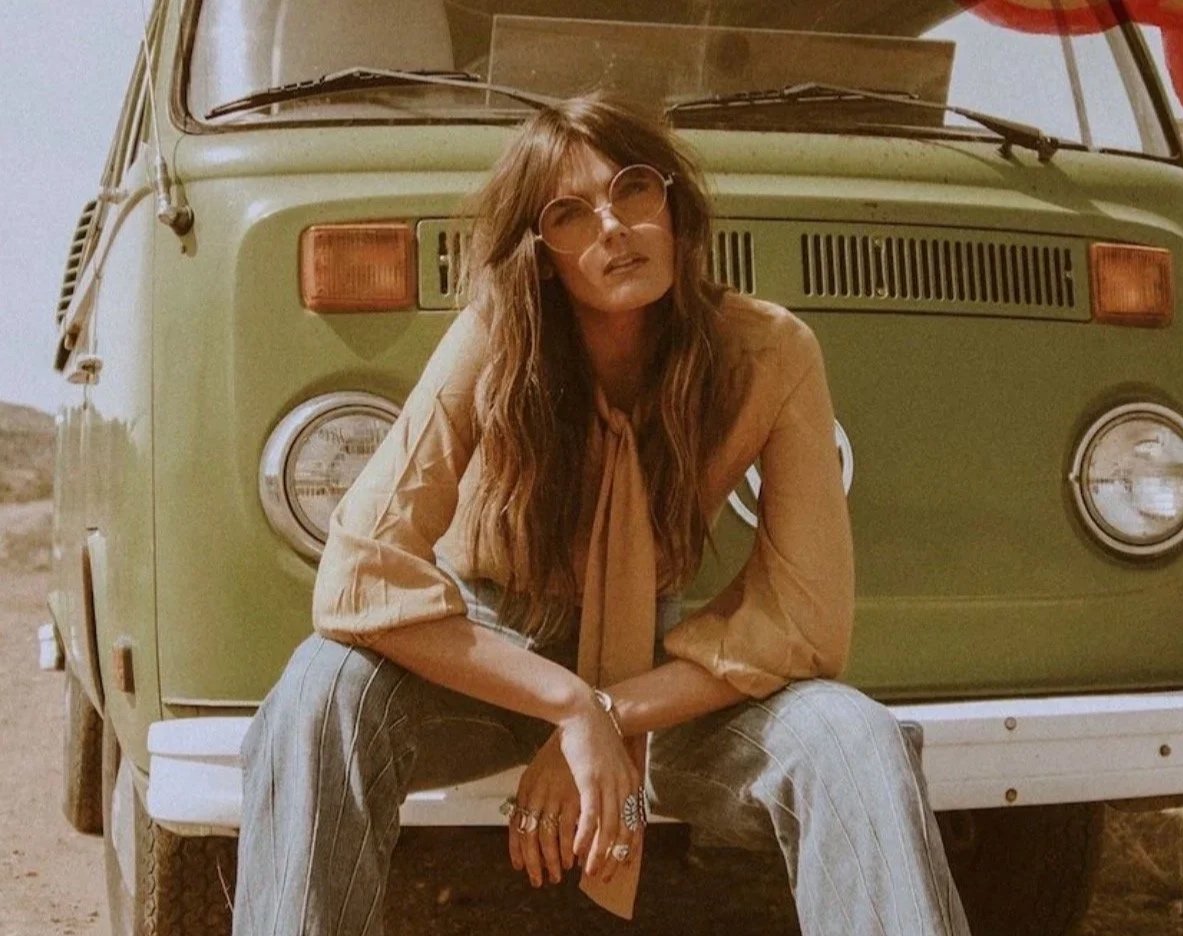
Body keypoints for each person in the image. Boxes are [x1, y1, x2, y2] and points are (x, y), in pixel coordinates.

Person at [232, 93, 970, 935]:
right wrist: (566, 704)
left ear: (673, 209)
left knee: (855, 735)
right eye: (570, 214)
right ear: (542, 256)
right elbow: (359, 575)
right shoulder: (495, 338)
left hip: (658, 671)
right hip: (488, 659)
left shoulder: (769, 352)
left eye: (633, 191)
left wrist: (612, 711)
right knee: (319, 689)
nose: (613, 227)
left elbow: (800, 624)